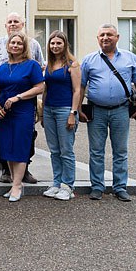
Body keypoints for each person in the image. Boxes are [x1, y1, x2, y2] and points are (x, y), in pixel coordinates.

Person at [80, 24, 136, 202]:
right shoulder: (89, 60)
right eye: (102, 34)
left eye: (109, 34)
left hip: (121, 110)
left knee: (120, 151)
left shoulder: (130, 58)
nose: (105, 37)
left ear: (117, 37)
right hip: (96, 111)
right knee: (96, 151)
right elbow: (80, 86)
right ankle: (97, 187)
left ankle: (120, 187)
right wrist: (78, 108)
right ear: (97, 38)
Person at [0, 12, 45, 184]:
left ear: (22, 24)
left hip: (24, 101)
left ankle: (24, 171)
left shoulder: (33, 45)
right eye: (9, 22)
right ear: (5, 25)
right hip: (3, 99)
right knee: (4, 137)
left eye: (16, 21)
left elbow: (40, 70)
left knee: (25, 136)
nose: (13, 24)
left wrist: (21, 94)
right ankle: (7, 171)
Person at [41, 31, 82, 201]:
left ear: (65, 45)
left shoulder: (72, 65)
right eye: (52, 43)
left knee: (66, 150)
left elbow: (77, 90)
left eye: (59, 43)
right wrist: (42, 111)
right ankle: (56, 183)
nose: (55, 46)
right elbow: (45, 89)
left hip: (65, 110)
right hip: (49, 110)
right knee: (54, 150)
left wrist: (73, 113)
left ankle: (67, 186)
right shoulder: (49, 65)